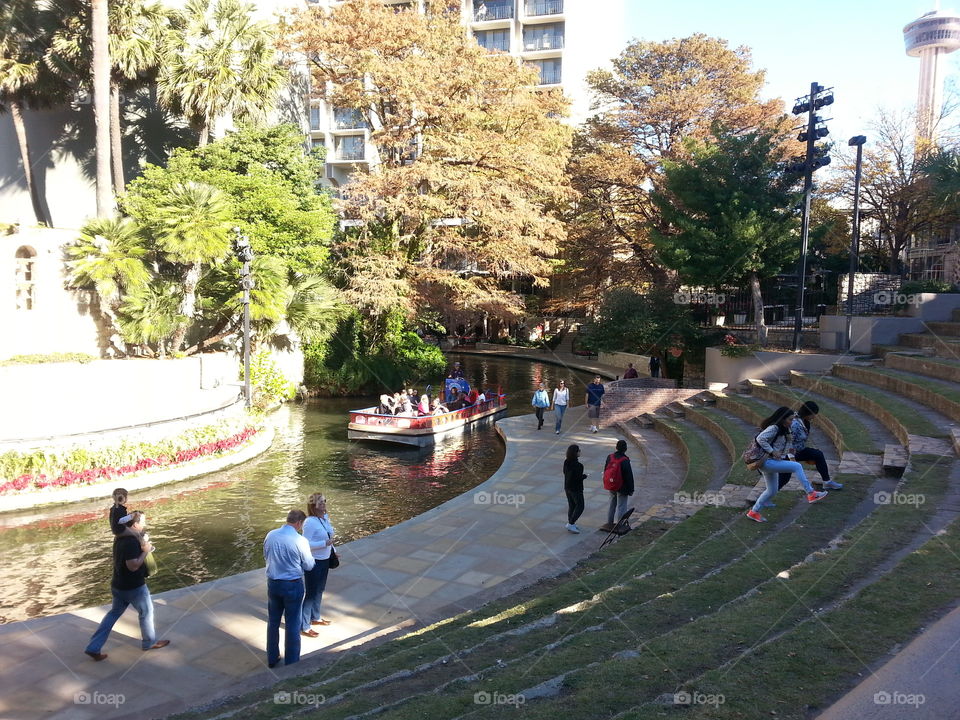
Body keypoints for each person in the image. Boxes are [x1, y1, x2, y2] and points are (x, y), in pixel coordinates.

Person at [84, 511, 170, 661]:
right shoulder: (130, 542)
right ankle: (149, 642)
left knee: (113, 614)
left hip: (118, 585)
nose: (145, 524)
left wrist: (143, 544)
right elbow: (133, 566)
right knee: (146, 612)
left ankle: (94, 647)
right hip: (133, 587)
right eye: (143, 521)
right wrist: (146, 551)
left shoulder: (121, 538)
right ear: (135, 524)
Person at [746, 407, 829, 523]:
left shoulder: (785, 430)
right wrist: (772, 451)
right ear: (783, 419)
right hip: (766, 461)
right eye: (790, 419)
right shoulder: (774, 428)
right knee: (797, 467)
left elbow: (787, 447)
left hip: (770, 462)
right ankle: (811, 493)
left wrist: (790, 453)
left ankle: (754, 512)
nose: (792, 422)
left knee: (772, 491)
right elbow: (760, 439)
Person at [263, 509, 315, 667]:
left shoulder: (271, 535)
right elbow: (309, 565)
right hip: (292, 584)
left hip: (273, 582)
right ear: (299, 523)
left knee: (273, 621)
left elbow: (266, 555)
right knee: (293, 622)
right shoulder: (300, 540)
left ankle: (272, 658)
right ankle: (292, 661)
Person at [777, 401, 843, 491]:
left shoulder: (804, 421)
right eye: (813, 414)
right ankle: (768, 494)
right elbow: (789, 442)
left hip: (800, 450)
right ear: (808, 413)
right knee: (785, 477)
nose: (814, 416)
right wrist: (792, 457)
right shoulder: (795, 424)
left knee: (818, 454)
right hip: (790, 453)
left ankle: (827, 482)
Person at [301, 495, 335, 636]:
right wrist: (323, 544)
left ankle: (316, 617)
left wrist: (333, 551)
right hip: (314, 561)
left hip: (325, 559)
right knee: (311, 593)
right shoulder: (309, 522)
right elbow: (305, 543)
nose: (323, 504)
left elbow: (330, 537)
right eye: (320, 502)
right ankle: (305, 625)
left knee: (320, 590)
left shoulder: (325, 518)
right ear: (313, 505)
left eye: (324, 501)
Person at [599, 440, 633, 532]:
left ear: (616, 448)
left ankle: (609, 523)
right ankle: (620, 525)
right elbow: (629, 476)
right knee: (622, 506)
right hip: (622, 487)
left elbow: (606, 469)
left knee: (612, 504)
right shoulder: (625, 460)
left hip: (612, 485)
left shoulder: (610, 457)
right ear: (625, 449)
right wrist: (631, 489)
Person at [563, 444, 587, 533]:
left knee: (572, 505)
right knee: (580, 506)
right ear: (575, 453)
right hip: (576, 489)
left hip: (567, 487)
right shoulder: (579, 465)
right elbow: (577, 478)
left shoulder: (566, 462)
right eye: (578, 450)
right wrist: (584, 476)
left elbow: (565, 473)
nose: (580, 452)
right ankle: (571, 523)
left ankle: (571, 522)